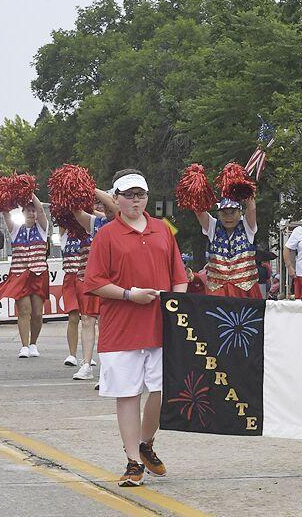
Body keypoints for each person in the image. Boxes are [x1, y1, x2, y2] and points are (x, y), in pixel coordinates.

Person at [84, 169, 188, 487]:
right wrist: (130, 295)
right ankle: (132, 461)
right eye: (128, 195)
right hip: (121, 329)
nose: (135, 200)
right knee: (128, 395)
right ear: (115, 199)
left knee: (160, 391)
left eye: (140, 194)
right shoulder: (107, 235)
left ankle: (145, 444)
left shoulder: (162, 231)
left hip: (158, 327)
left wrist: (174, 305)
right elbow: (95, 282)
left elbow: (179, 278)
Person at [63, 189, 118, 380]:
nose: (103, 206)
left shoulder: (122, 221)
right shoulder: (97, 223)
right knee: (87, 320)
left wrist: (89, 187)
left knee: (106, 323)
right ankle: (86, 365)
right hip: (90, 279)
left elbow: (114, 206)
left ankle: (107, 368)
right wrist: (73, 187)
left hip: (113, 282)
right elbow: (77, 213)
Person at [0, 192, 49, 358]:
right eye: (28, 210)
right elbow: (5, 213)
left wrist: (30, 192)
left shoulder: (43, 228)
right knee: (24, 310)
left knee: (37, 313)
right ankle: (24, 346)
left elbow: (42, 211)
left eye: (33, 210)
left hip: (38, 274)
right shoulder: (15, 230)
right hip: (19, 274)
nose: (31, 212)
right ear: (22, 212)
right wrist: (5, 195)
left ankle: (33, 343)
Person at [193, 197, 260, 298]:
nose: (229, 217)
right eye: (224, 213)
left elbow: (251, 208)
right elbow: (199, 211)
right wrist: (197, 189)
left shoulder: (247, 227)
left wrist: (247, 192)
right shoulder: (213, 226)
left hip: (245, 288)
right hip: (217, 289)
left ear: (240, 212)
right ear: (219, 214)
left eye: (233, 212)